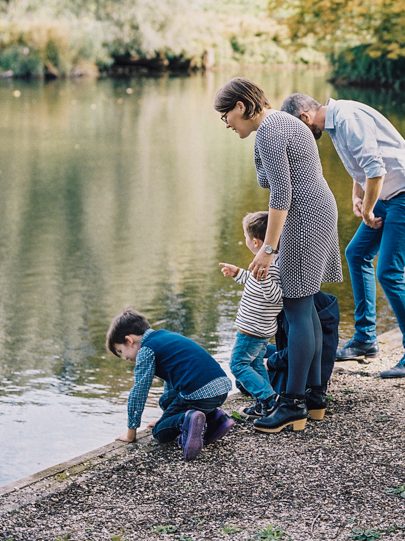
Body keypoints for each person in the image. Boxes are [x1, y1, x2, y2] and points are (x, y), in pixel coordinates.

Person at [214, 77, 342, 434]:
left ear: (241, 106)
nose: (226, 124)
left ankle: (292, 405)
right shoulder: (283, 122)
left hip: (303, 215)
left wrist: (268, 249)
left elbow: (281, 194)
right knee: (306, 308)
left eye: (226, 116)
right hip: (318, 208)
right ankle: (314, 398)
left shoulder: (270, 130)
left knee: (298, 308)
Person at [281, 94, 405, 378]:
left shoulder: (348, 119)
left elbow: (376, 169)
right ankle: (365, 339)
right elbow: (362, 165)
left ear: (305, 117)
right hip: (390, 195)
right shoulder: (336, 122)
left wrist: (367, 209)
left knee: (389, 273)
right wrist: (357, 194)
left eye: (298, 130)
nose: (300, 137)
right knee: (357, 253)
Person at [106, 308, 234, 461]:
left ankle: (187, 419)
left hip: (198, 393)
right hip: (220, 388)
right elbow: (171, 379)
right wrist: (166, 417)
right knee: (164, 400)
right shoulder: (165, 336)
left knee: (159, 432)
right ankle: (217, 419)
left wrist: (131, 433)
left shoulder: (146, 350)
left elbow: (139, 392)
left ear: (129, 340)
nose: (124, 357)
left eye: (121, 351)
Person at [220, 210, 283, 419]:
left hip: (253, 331)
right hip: (257, 330)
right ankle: (263, 403)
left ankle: (268, 399)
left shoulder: (270, 267)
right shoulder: (264, 264)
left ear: (256, 242)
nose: (244, 240)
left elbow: (277, 297)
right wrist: (238, 273)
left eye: (245, 237)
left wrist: (262, 277)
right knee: (255, 365)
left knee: (237, 365)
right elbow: (253, 281)